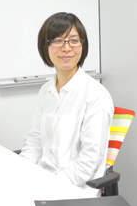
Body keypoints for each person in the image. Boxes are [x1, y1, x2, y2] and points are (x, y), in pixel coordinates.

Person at [20, 12, 114, 194]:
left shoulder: (96, 95)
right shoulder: (46, 91)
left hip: (74, 190)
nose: (66, 48)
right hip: (42, 182)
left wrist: (49, 186)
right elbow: (34, 141)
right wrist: (22, 171)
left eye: (73, 40)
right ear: (45, 47)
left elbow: (89, 161)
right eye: (57, 40)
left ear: (83, 46)